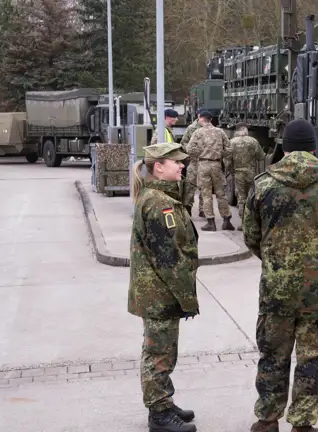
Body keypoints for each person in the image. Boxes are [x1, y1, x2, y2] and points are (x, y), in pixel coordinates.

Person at [243, 119, 318, 432]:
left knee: (272, 356)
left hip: (276, 290)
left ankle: (267, 421)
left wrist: (277, 261)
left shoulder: (264, 184)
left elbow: (251, 237)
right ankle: (303, 424)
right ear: (313, 147)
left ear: (285, 146)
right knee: (311, 359)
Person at [128, 142, 200, 432]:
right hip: (160, 292)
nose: (182, 166)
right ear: (159, 167)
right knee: (159, 354)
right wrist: (188, 299)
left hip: (157, 291)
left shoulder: (160, 197)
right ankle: (159, 415)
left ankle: (164, 402)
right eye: (176, 163)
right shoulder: (160, 203)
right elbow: (169, 258)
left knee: (163, 350)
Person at [187, 111, 234, 231]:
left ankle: (211, 222)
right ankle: (226, 220)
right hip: (217, 164)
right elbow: (229, 149)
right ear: (211, 119)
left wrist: (201, 154)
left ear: (201, 119)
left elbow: (189, 149)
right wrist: (219, 154)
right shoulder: (220, 131)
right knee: (221, 193)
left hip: (203, 164)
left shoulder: (198, 132)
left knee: (206, 193)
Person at [225, 122, 265, 230]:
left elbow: (227, 161)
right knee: (251, 197)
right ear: (246, 130)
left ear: (237, 131)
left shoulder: (232, 142)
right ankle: (253, 223)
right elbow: (261, 157)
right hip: (251, 172)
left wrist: (229, 172)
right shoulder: (253, 141)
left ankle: (243, 224)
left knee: (241, 198)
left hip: (238, 174)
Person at [180, 112, 206, 218]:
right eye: (203, 119)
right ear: (198, 117)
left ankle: (203, 210)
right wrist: (191, 151)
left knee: (204, 188)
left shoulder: (210, 129)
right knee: (190, 187)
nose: (204, 122)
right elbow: (183, 142)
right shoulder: (191, 128)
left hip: (205, 162)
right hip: (194, 161)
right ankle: (188, 207)